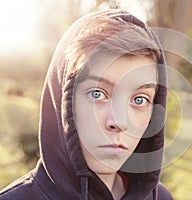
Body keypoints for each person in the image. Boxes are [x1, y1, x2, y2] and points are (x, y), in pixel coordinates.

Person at [0, 9, 172, 200]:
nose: (119, 121)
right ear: (63, 103)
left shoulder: (161, 197)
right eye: (97, 94)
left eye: (139, 99)